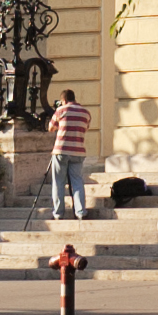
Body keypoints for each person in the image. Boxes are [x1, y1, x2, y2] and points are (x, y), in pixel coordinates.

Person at [47, 89, 93, 221]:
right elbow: (86, 128)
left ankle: (58, 213)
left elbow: (51, 128)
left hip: (61, 150)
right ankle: (80, 212)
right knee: (77, 181)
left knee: (58, 182)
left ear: (64, 100)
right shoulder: (86, 113)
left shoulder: (61, 111)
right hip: (78, 151)